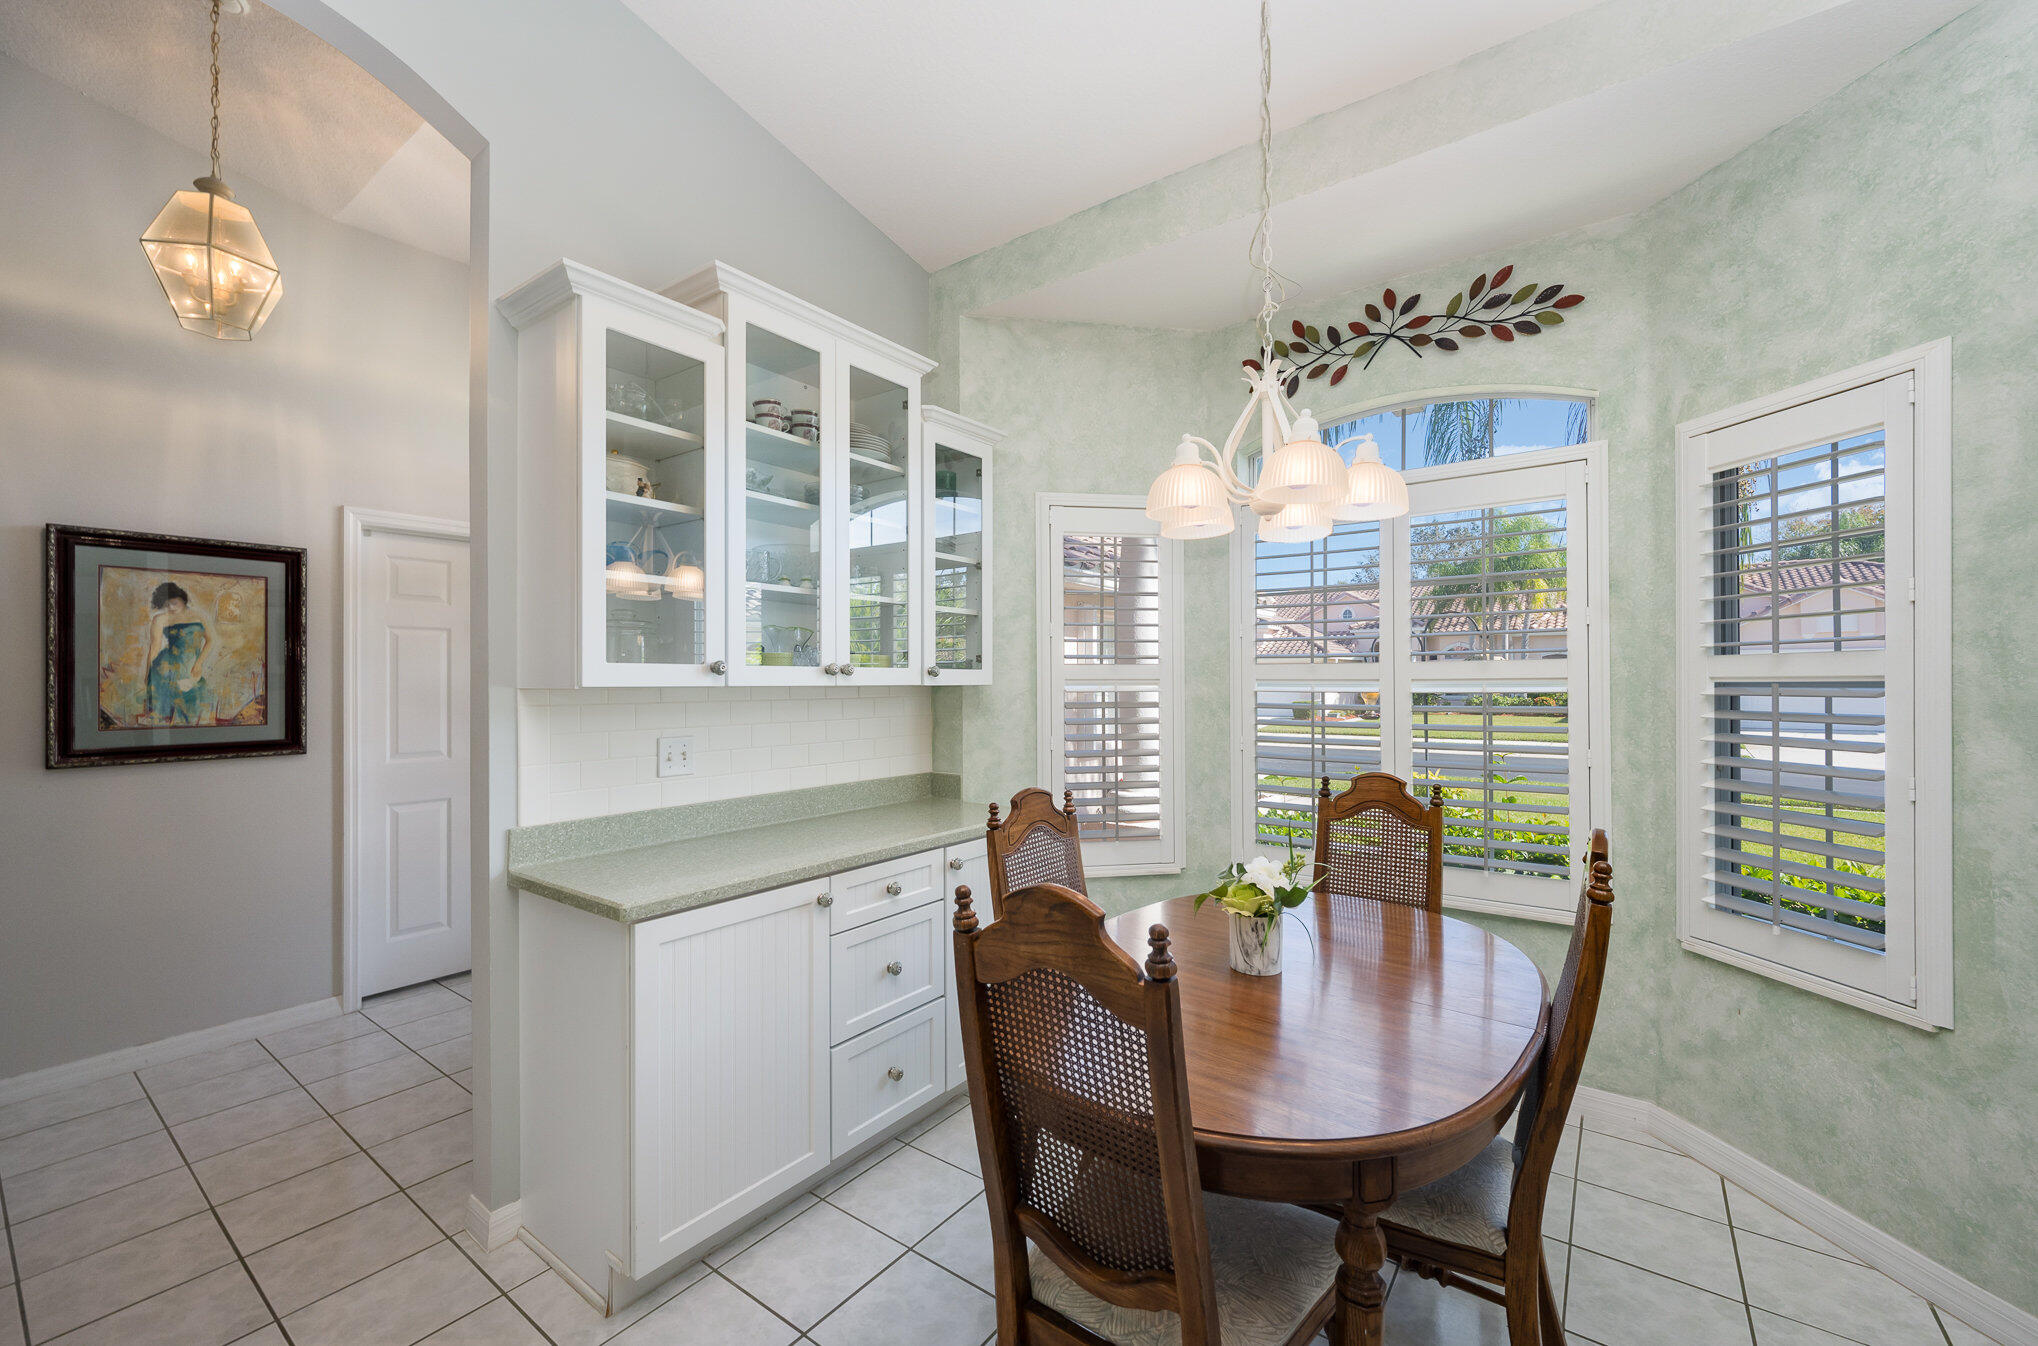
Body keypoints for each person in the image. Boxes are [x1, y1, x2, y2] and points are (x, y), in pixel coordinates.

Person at [141, 581, 216, 725]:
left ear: (182, 598)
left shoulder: (199, 616)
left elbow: (211, 641)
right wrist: (147, 674)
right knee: (167, 712)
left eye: (173, 603)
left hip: (189, 663)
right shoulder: (160, 619)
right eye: (166, 604)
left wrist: (199, 664)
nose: (170, 607)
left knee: (194, 703)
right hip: (166, 667)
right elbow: (155, 647)